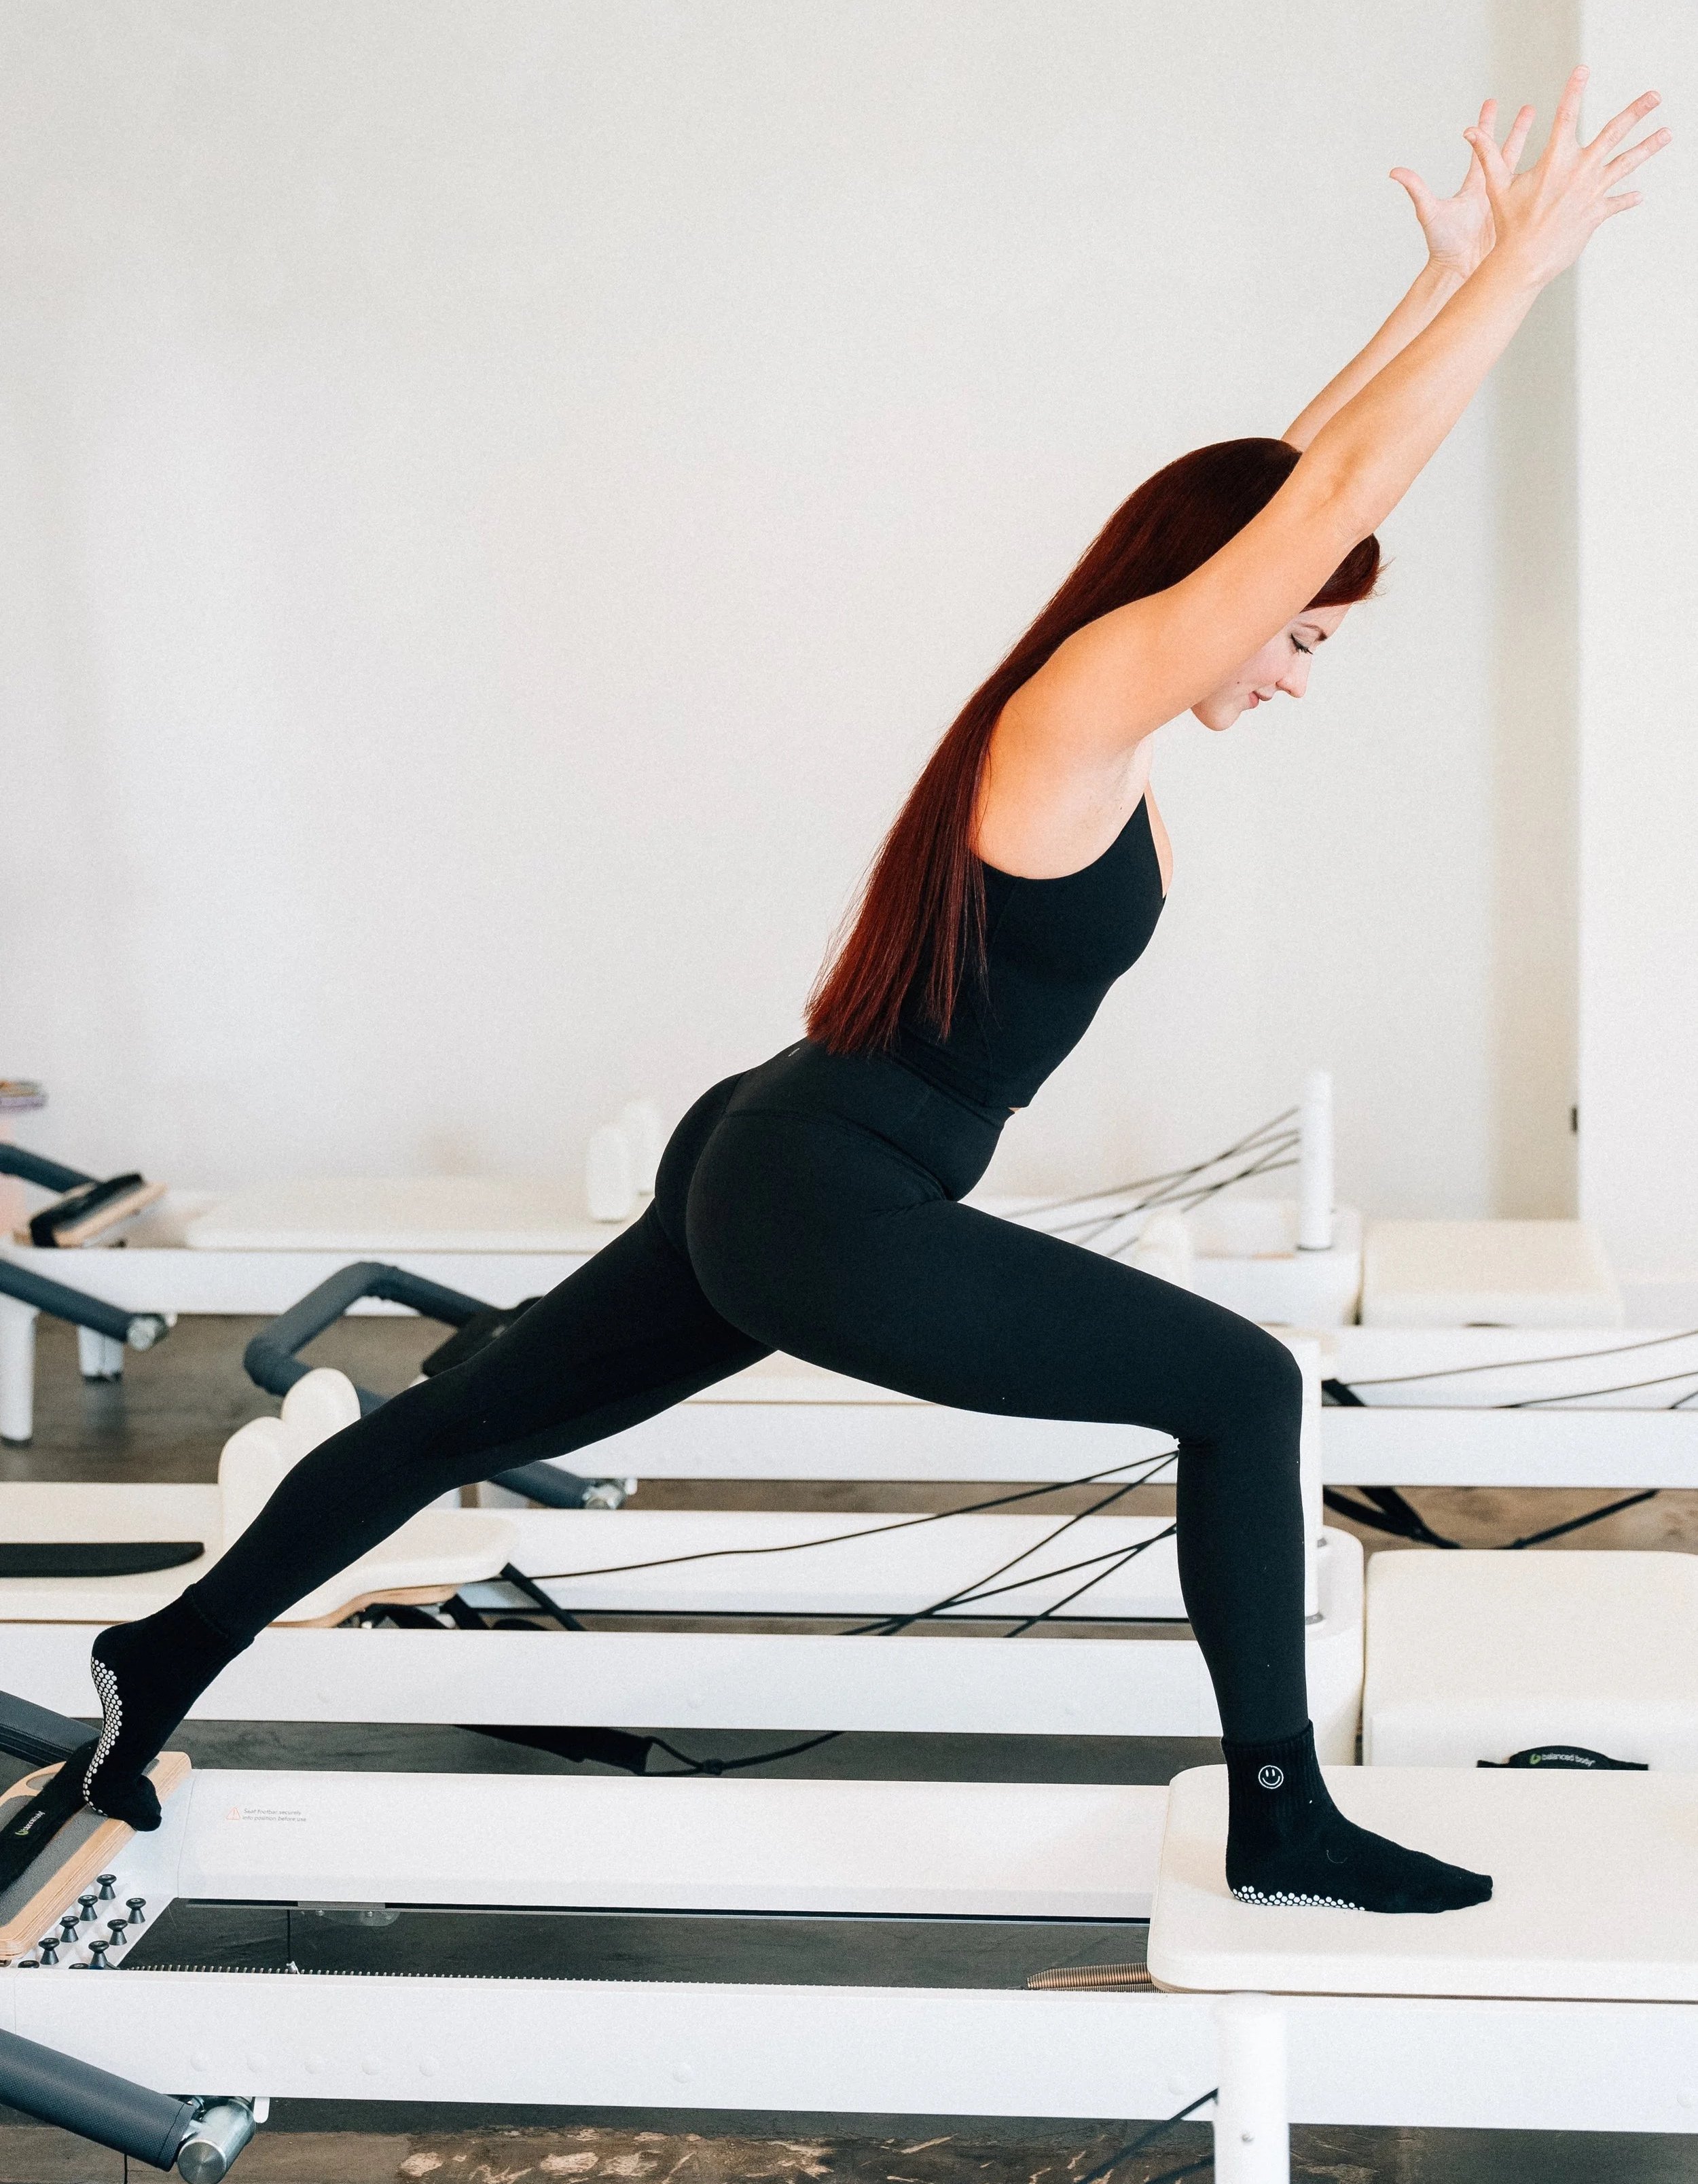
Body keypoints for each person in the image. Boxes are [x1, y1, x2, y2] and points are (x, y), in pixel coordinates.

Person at [82, 71, 1665, 1913]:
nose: (1294, 669)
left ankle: (163, 1658)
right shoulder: (1077, 713)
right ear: (1223, 601)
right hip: (825, 1192)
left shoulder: (1094, 701)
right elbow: (1320, 499)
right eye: (1300, 633)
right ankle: (1277, 1816)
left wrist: (1435, 284)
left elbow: (1285, 474)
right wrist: (1524, 282)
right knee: (1241, 1389)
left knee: (457, 1426)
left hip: (788, 1142)